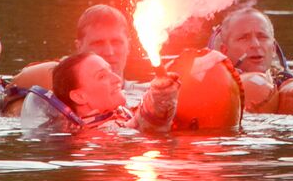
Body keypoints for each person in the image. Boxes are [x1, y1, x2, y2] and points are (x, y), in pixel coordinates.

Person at [24, 51, 179, 134]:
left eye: (110, 71)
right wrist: (160, 96)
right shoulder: (96, 135)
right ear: (79, 96)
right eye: (102, 76)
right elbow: (143, 127)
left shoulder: (113, 116)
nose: (117, 79)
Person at [73, 3, 151, 107]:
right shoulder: (59, 96)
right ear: (79, 48)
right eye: (98, 43)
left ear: (129, 46)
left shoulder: (150, 95)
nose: (109, 52)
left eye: (116, 42)